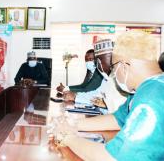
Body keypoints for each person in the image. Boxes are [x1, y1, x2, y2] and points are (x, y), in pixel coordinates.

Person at [61, 31, 164, 161]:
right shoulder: (145, 88)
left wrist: (67, 138)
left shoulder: (151, 99)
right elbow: (117, 119)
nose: (114, 74)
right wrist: (73, 125)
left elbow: (112, 158)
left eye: (114, 68)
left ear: (123, 67)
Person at [63, 39, 126, 113]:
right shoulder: (107, 78)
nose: (99, 65)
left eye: (101, 61)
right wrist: (76, 96)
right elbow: (96, 94)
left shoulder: (121, 81)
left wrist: (76, 97)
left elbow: (115, 105)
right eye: (97, 62)